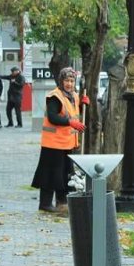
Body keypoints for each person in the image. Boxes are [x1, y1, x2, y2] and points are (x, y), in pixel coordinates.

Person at [31, 67, 89, 212]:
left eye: (71, 80)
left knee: (65, 174)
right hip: (53, 144)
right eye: (66, 80)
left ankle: (62, 202)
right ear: (61, 81)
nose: (69, 83)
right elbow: (53, 117)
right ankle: (45, 204)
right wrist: (70, 122)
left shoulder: (74, 96)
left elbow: (73, 112)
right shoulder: (54, 97)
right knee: (50, 174)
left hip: (66, 143)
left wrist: (83, 105)